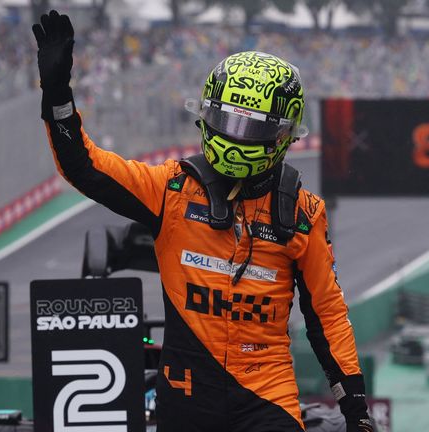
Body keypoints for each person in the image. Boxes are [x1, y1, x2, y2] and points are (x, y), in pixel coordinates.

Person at [33, 10, 373, 432]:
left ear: (284, 134)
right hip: (186, 395)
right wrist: (57, 92)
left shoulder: (305, 214)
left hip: (267, 395)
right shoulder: (171, 188)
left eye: (248, 126)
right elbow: (84, 167)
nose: (234, 136)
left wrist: (356, 409)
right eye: (226, 120)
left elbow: (327, 315)